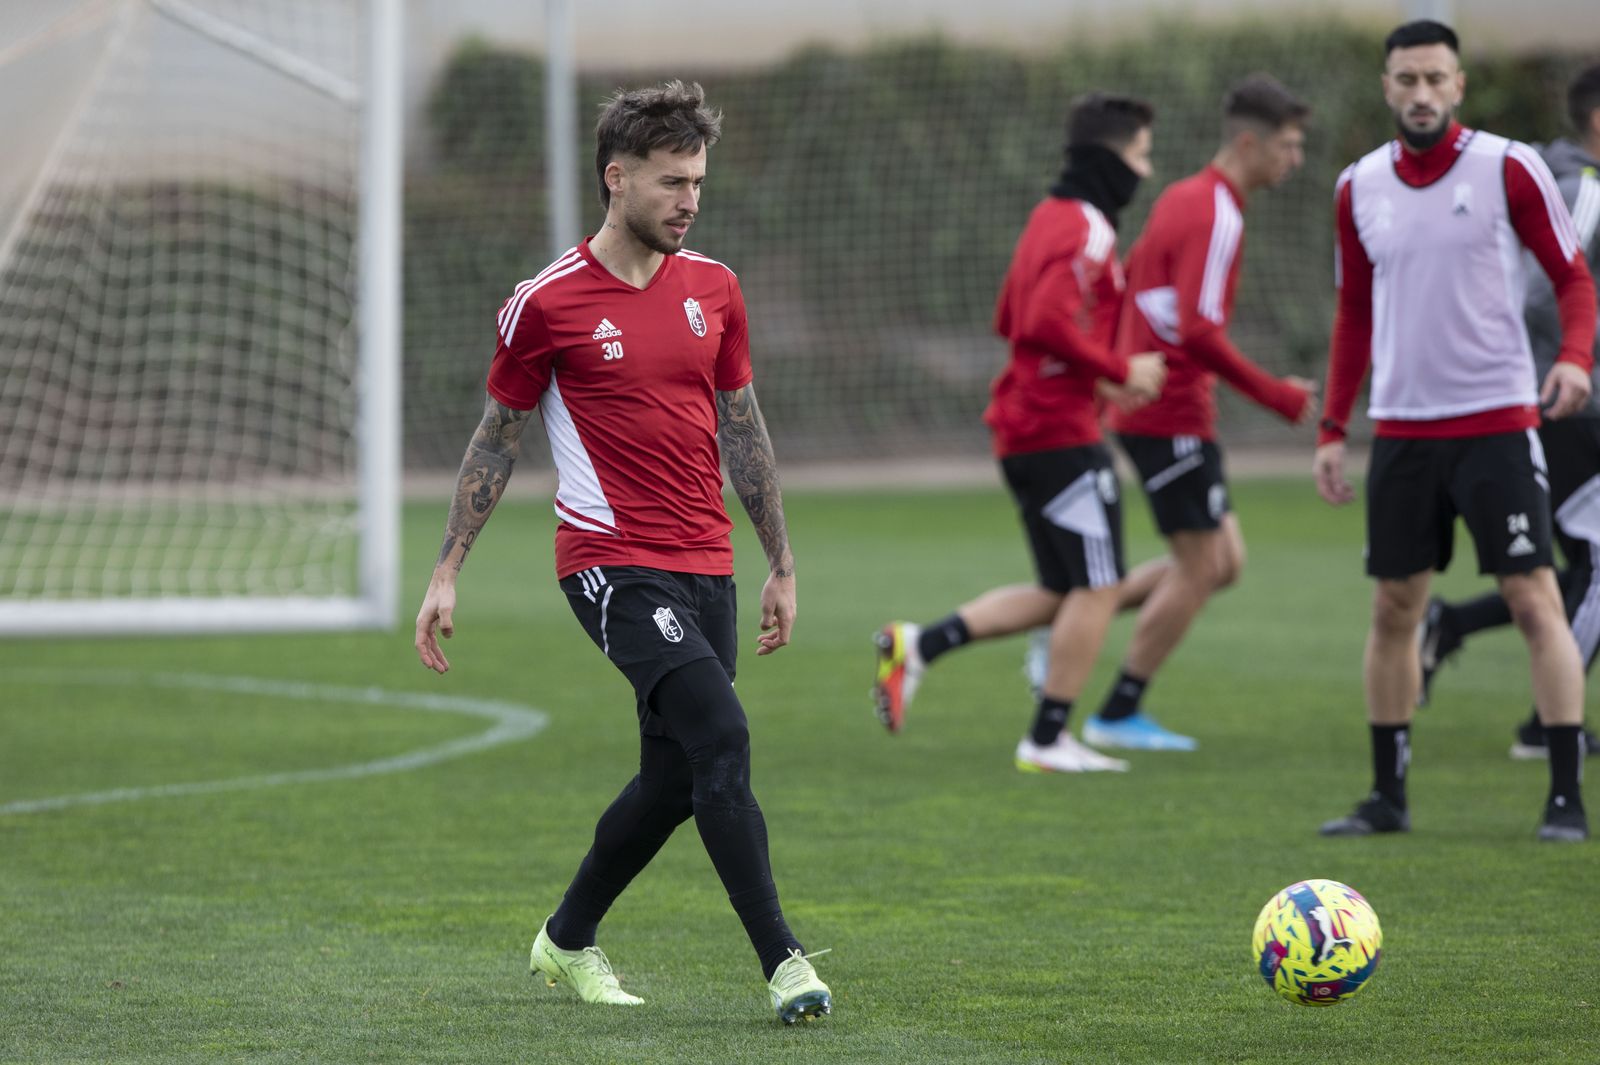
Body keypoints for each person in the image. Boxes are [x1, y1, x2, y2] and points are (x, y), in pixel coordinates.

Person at [413, 81, 832, 1022]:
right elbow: (495, 437)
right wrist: (447, 570)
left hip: (707, 561)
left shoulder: (715, 288)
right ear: (617, 178)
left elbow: (744, 428)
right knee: (722, 735)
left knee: (678, 777)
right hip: (607, 562)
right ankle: (786, 961)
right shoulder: (547, 303)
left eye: (700, 182)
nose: (690, 200)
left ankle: (564, 939)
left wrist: (782, 560)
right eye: (673, 182)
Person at [1314, 22, 1598, 843]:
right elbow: (1354, 314)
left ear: (1460, 85)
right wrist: (1334, 425)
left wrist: (1575, 358)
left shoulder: (1509, 165)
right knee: (1396, 606)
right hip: (1403, 430)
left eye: (1436, 78)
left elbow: (1573, 278)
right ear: (1387, 87)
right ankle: (1387, 796)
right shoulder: (1358, 185)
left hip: (1499, 423)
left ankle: (1563, 797)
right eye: (1407, 79)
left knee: (1533, 597)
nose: (1422, 94)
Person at [871, 92, 1166, 772]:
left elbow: (1012, 318)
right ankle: (1047, 737)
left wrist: (1092, 374)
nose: (1146, 172)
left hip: (1028, 427)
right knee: (1100, 586)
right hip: (1058, 433)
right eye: (1141, 155)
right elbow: (1038, 320)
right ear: (1109, 159)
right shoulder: (1087, 227)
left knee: (1068, 588)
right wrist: (1115, 368)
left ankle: (919, 646)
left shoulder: (1048, 217)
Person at [1078, 74, 1318, 751]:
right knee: (1203, 564)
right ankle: (1118, 710)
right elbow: (1198, 331)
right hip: (1169, 412)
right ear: (1250, 142)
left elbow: (1139, 295)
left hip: (1166, 407)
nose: (1293, 160)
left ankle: (1074, 609)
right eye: (1289, 146)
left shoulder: (1188, 196)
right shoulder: (1217, 211)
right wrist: (1277, 394)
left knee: (1225, 559)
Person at [1416, 61, 1600, 762]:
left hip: (1560, 398)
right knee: (1588, 562)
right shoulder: (1582, 184)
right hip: (1563, 404)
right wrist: (1562, 363)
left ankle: (1455, 624)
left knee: (1567, 568)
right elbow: (1550, 283)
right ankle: (1550, 725)